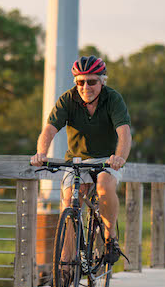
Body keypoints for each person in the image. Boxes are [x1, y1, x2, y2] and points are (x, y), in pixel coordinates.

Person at [30, 55, 131, 264]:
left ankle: (110, 237)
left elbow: (124, 134)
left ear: (103, 81)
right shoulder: (67, 99)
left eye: (92, 81)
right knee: (68, 201)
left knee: (104, 185)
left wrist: (119, 157)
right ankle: (66, 262)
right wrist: (41, 153)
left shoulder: (113, 99)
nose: (86, 87)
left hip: (107, 159)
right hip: (77, 160)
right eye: (80, 82)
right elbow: (49, 130)